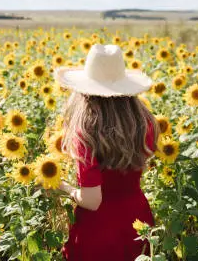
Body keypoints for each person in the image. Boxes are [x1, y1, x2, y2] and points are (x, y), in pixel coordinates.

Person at [53, 44, 159, 261]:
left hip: (99, 229)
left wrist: (62, 187)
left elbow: (92, 200)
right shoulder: (143, 122)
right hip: (137, 220)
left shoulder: (88, 132)